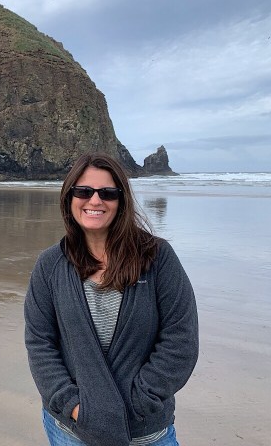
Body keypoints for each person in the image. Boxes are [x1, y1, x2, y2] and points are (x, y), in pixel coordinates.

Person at [24, 153, 198, 446]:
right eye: (83, 191)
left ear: (121, 200)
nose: (95, 200)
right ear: (69, 198)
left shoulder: (158, 258)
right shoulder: (50, 265)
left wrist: (139, 402)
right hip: (70, 429)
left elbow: (181, 339)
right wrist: (73, 406)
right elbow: (40, 342)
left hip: (145, 432)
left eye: (107, 193)